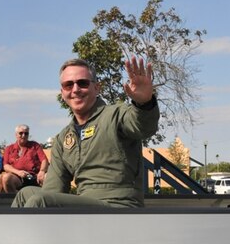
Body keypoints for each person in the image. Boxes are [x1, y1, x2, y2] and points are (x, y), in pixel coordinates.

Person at [13, 56, 159, 208]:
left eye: (82, 83)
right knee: (26, 194)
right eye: (68, 85)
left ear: (97, 87)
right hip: (85, 205)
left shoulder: (116, 115)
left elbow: (144, 126)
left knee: (40, 202)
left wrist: (144, 103)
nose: (75, 89)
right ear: (62, 92)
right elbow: (53, 190)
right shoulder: (63, 138)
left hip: (119, 205)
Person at [0, 125, 49, 193]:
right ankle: (15, 200)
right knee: (6, 178)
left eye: (26, 133)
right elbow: (6, 166)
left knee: (48, 177)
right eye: (21, 133)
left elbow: (44, 160)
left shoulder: (35, 145)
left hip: (35, 176)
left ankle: (48, 201)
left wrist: (42, 171)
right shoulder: (9, 148)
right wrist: (18, 172)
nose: (23, 135)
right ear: (16, 135)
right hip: (17, 177)